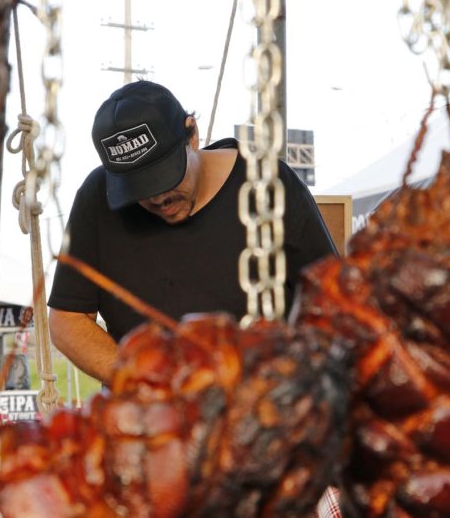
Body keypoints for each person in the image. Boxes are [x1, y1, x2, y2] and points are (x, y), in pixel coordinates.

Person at [47, 80, 338, 382]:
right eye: (140, 189)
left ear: (192, 134)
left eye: (165, 178)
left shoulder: (269, 186)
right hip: (153, 418)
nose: (158, 198)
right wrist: (138, 381)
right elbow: (67, 319)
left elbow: (331, 306)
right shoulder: (98, 197)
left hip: (264, 407)